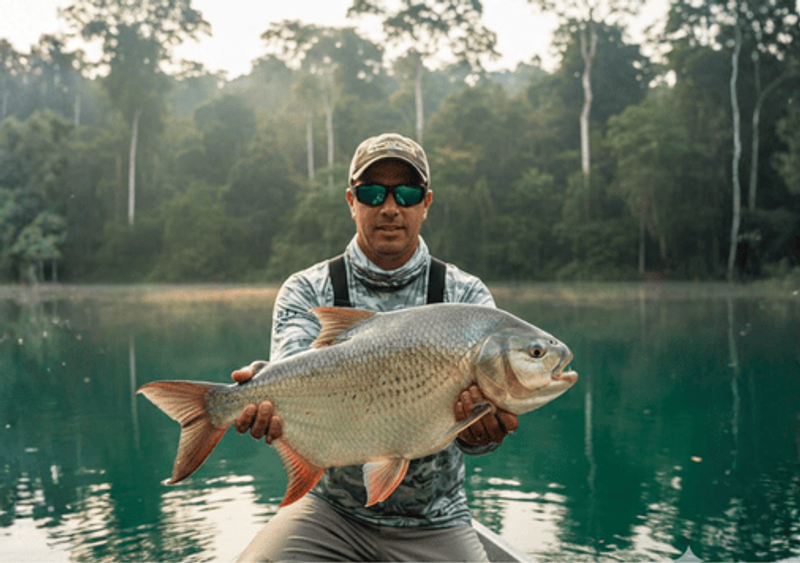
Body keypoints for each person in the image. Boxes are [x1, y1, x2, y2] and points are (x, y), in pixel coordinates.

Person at [232, 133, 519, 562]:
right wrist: (264, 390)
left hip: (436, 519)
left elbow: (476, 440)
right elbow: (291, 375)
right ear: (351, 201)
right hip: (331, 512)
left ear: (426, 202)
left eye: (406, 192)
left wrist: (482, 435)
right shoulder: (307, 289)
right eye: (372, 192)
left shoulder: (466, 296)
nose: (390, 207)